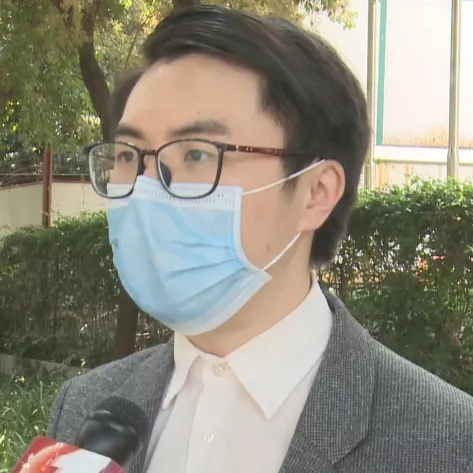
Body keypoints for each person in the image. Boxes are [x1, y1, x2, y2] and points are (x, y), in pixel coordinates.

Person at [47, 5, 473, 473]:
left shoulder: (448, 442)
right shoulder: (83, 408)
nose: (147, 188)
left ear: (316, 192)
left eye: (196, 154)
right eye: (129, 155)